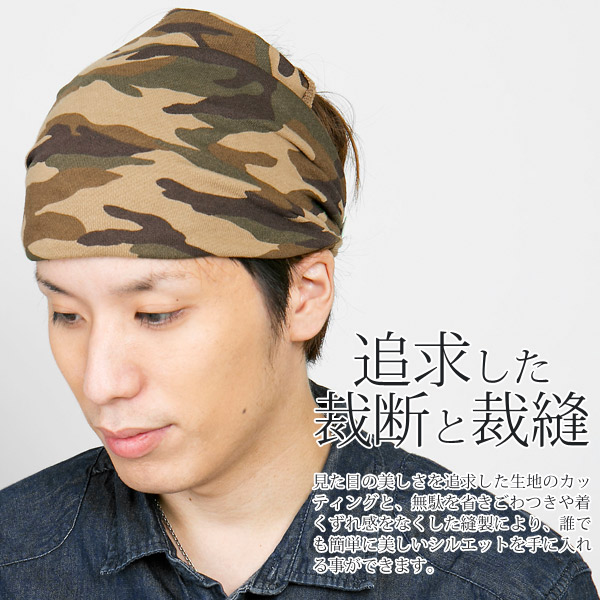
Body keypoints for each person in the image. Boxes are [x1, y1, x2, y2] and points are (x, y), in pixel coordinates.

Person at [0, 8, 597, 599]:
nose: (101, 382)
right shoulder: (14, 559)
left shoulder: (506, 586)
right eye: (67, 314)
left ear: (304, 295)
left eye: (155, 314)